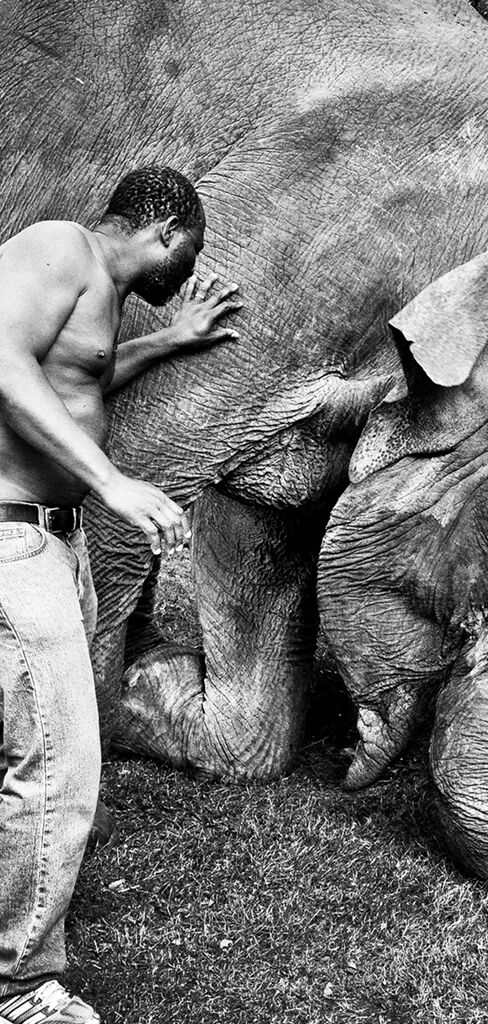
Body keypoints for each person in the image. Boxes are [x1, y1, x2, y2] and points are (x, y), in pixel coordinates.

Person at [0, 166, 242, 1024]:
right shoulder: (59, 247)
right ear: (168, 232)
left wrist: (171, 340)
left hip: (52, 542)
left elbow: (78, 380)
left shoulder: (100, 292)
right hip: (11, 537)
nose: (188, 270)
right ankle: (18, 987)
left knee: (29, 741)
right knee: (57, 764)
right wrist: (111, 482)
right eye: (192, 254)